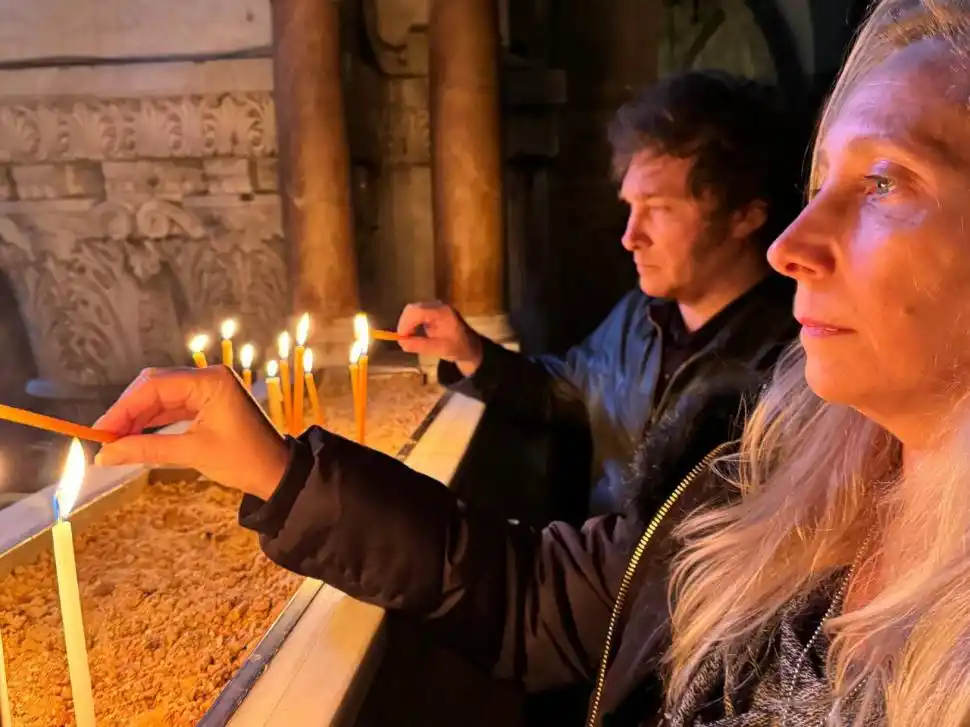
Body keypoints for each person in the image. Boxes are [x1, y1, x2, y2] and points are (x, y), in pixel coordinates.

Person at [92, 2, 970, 722]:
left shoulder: (755, 393)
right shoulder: (764, 482)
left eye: (884, 183)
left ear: (741, 213)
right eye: (822, 185)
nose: (793, 246)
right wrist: (280, 470)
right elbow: (551, 572)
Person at [396, 69, 802, 515]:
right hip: (593, 552)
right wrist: (469, 351)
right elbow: (568, 391)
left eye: (659, 209)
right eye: (631, 207)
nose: (630, 237)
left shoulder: (789, 367)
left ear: (745, 216)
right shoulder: (641, 315)